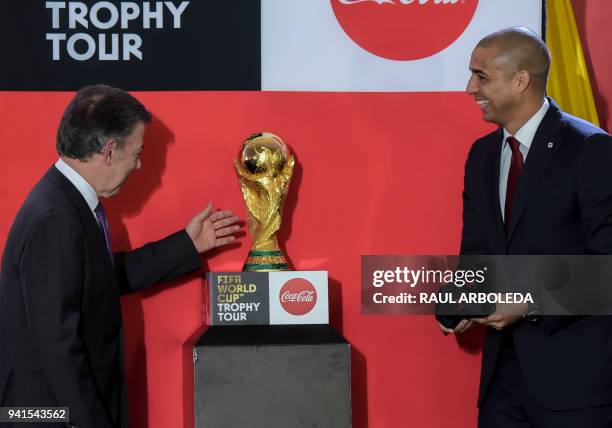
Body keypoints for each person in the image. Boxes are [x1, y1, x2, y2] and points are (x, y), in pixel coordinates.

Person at [0, 84, 241, 427]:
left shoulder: (64, 201)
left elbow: (98, 279)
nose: (141, 166)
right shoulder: (56, 217)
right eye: (137, 153)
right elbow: (56, 343)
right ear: (110, 151)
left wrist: (187, 245)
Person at [438, 27, 612, 427]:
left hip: (576, 384)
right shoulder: (482, 156)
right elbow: (479, 253)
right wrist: (460, 300)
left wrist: (530, 302)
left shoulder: (591, 150)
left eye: (481, 76)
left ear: (520, 80)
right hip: (502, 382)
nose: (469, 88)